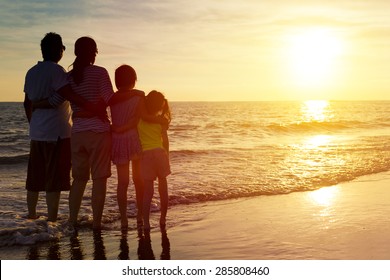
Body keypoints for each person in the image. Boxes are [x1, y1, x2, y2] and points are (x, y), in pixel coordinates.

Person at [23, 32, 72, 222]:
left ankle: (31, 218)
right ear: (58, 50)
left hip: (37, 133)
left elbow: (26, 103)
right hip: (57, 133)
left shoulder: (31, 72)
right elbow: (61, 97)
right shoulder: (58, 72)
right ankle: (52, 220)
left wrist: (33, 124)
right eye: (62, 48)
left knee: (34, 180)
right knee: (54, 179)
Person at [67, 36, 114, 230]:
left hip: (77, 132)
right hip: (98, 131)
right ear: (94, 53)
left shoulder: (69, 77)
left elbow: (56, 98)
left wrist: (82, 110)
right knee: (99, 179)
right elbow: (110, 98)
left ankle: (72, 221)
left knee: (78, 179)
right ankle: (96, 223)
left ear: (76, 52)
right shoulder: (100, 72)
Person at [138, 90, 171, 232]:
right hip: (160, 154)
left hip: (145, 156)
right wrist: (167, 154)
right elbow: (165, 140)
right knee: (163, 189)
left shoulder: (139, 120)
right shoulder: (161, 122)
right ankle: (163, 218)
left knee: (148, 191)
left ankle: (146, 222)